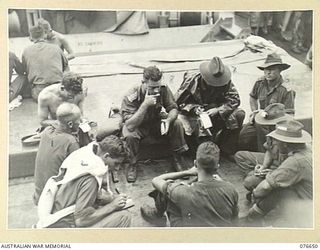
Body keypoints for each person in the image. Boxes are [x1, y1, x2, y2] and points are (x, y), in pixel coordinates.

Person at [37, 135, 131, 228]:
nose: (117, 168)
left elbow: (83, 193)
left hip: (57, 209)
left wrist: (112, 199)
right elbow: (81, 221)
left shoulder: (84, 154)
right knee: (124, 216)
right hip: (63, 224)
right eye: (116, 163)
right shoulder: (91, 177)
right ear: (106, 156)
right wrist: (112, 206)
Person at [140, 141, 239, 227]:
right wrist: (222, 184)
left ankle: (158, 216)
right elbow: (235, 220)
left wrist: (187, 172)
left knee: (168, 191)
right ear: (217, 167)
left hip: (193, 238)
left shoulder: (182, 192)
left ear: (195, 163)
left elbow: (156, 180)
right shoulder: (231, 189)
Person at [121, 66, 189, 183]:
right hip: (138, 125)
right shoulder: (132, 95)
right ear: (143, 83)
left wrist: (168, 120)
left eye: (158, 86)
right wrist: (145, 105)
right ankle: (132, 163)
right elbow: (130, 125)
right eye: (152, 87)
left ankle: (177, 157)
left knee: (176, 123)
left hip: (155, 121)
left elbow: (173, 108)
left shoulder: (162, 88)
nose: (156, 90)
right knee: (129, 135)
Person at [240, 120, 312, 227]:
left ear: (285, 144)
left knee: (273, 191)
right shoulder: (307, 150)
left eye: (277, 141)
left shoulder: (295, 161)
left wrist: (255, 194)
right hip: (305, 192)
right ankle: (254, 217)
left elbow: (264, 187)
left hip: (308, 203)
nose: (275, 143)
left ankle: (253, 219)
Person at [175, 56, 245, 157]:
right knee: (198, 126)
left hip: (217, 112)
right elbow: (178, 102)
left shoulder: (225, 80)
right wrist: (194, 108)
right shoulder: (191, 80)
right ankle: (202, 152)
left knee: (239, 114)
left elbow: (234, 99)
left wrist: (218, 110)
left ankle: (226, 149)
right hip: (195, 114)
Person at [238, 53, 295, 152]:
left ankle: (266, 154)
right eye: (266, 69)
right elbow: (252, 97)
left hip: (276, 123)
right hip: (260, 118)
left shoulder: (286, 90)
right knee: (243, 138)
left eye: (272, 69)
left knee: (267, 139)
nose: (268, 72)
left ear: (280, 70)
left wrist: (275, 123)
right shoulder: (260, 82)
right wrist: (254, 112)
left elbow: (290, 114)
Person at [33, 103, 81, 205]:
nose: (80, 122)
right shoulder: (71, 142)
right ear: (70, 124)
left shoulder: (46, 131)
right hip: (53, 201)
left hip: (39, 196)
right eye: (79, 121)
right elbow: (78, 172)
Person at [22, 25, 69, 101]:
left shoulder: (26, 51)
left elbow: (24, 70)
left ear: (30, 38)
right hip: (58, 89)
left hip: (39, 92)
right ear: (45, 35)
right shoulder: (56, 48)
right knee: (66, 67)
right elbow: (65, 67)